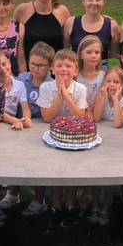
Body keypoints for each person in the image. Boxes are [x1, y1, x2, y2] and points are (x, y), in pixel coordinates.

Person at [37, 49, 88, 228]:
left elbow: (80, 117)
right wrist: (59, 98)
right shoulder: (46, 87)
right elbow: (46, 117)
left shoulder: (80, 89)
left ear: (76, 71)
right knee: (55, 172)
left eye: (68, 66)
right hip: (52, 136)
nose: (63, 69)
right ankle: (56, 207)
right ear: (52, 68)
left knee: (71, 172)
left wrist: (68, 97)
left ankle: (70, 206)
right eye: (59, 65)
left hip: (73, 137)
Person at [9, 41, 55, 216]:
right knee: (16, 160)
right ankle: (13, 192)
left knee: (40, 164)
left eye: (40, 65)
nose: (35, 68)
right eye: (32, 63)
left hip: (42, 126)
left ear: (50, 66)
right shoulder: (22, 78)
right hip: (20, 124)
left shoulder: (52, 83)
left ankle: (39, 199)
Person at [87, 67, 123, 226]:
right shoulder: (100, 96)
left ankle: (105, 208)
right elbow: (97, 117)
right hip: (99, 141)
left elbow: (118, 123)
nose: (111, 85)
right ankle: (95, 206)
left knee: (109, 180)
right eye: (108, 81)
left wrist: (116, 100)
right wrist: (103, 97)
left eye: (116, 82)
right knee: (96, 177)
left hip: (115, 146)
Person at [14, 0, 70, 70]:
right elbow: (11, 37)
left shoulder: (62, 11)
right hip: (29, 71)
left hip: (55, 73)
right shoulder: (22, 10)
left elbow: (68, 45)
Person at [64, 0, 119, 70]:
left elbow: (114, 53)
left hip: (101, 70)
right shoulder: (71, 23)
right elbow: (64, 51)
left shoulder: (112, 26)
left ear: (103, 1)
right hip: (77, 69)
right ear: (83, 0)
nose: (94, 3)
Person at [0, 52, 32, 130]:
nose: (2, 69)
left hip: (14, 123)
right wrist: (14, 120)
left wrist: (26, 119)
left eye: (4, 64)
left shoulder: (20, 85)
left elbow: (25, 107)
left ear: (9, 63)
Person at [75, 35, 104, 110]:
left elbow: (103, 98)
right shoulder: (75, 76)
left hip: (96, 112)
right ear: (81, 55)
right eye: (89, 52)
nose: (93, 56)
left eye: (97, 52)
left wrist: (91, 109)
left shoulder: (103, 76)